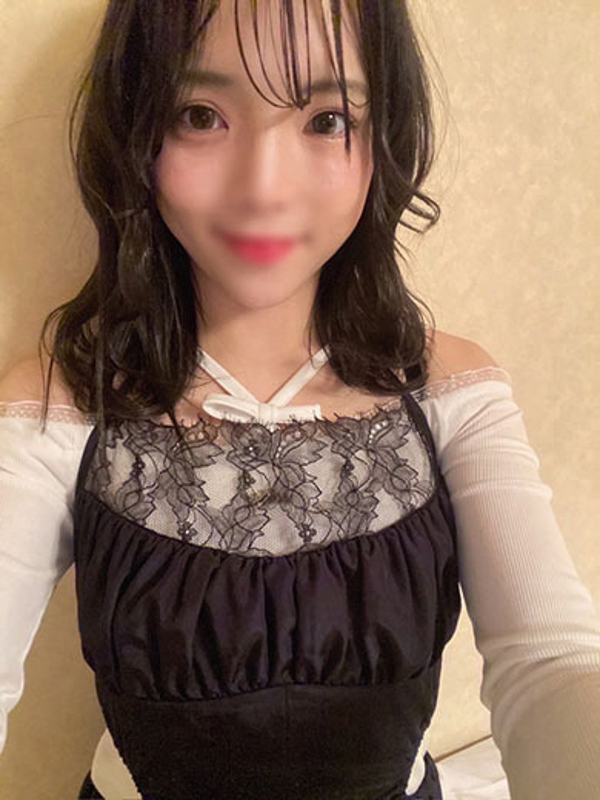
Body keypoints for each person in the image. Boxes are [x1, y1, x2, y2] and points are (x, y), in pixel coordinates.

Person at [0, 1, 599, 798]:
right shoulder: (59, 404)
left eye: (326, 120)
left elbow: (550, 662)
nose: (264, 190)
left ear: (384, 137)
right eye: (200, 115)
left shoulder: (450, 389)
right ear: (135, 131)